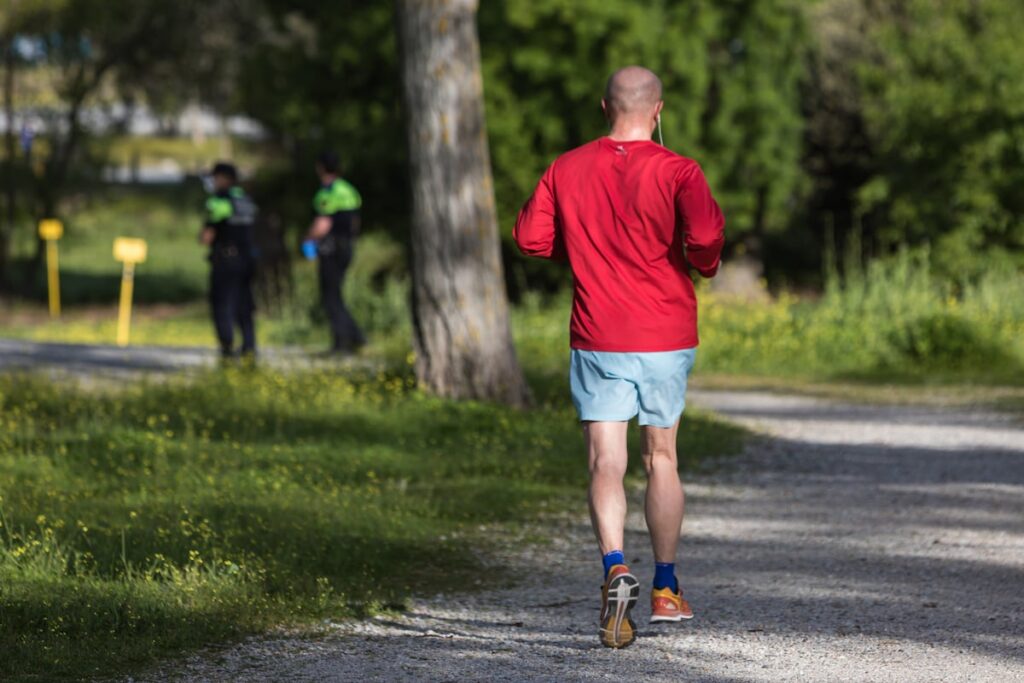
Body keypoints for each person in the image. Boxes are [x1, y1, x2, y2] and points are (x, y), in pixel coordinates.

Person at [514, 66, 725, 649]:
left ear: (603, 105)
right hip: (664, 332)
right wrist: (699, 266)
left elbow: (530, 238)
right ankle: (664, 587)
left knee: (606, 461)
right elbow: (706, 239)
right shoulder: (679, 169)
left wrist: (583, 250)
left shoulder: (565, 167)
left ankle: (614, 565)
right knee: (661, 457)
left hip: (598, 333)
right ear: (658, 110)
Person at [305, 151, 366, 354]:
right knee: (336, 293)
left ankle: (343, 342)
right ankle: (355, 336)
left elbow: (323, 223)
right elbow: (355, 222)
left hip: (331, 248)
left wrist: (307, 240)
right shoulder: (348, 189)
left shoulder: (327, 192)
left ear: (320, 167)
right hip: (347, 246)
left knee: (330, 296)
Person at [200, 162, 258, 360]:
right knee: (244, 304)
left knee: (221, 304)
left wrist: (203, 236)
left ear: (223, 178)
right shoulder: (246, 200)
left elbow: (207, 236)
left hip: (226, 261)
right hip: (247, 259)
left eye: (215, 178)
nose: (213, 182)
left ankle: (227, 349)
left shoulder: (219, 202)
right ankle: (249, 347)